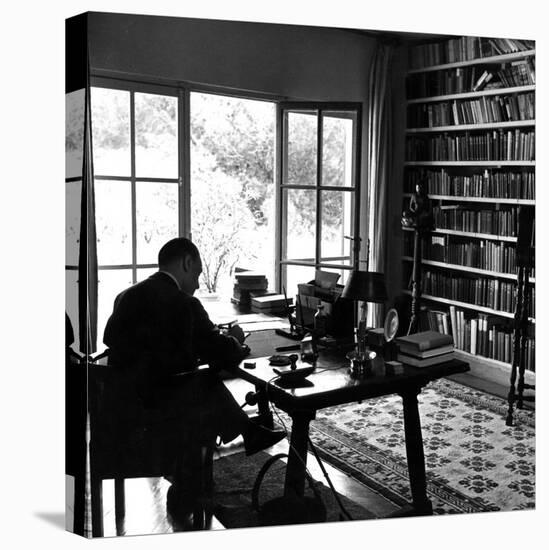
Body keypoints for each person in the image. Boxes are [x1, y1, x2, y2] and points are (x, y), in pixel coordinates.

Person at [103, 237, 285, 517]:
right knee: (206, 383)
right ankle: (229, 451)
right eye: (198, 274)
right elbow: (223, 353)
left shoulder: (125, 296)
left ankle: (244, 437)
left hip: (121, 413)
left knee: (200, 382)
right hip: (162, 417)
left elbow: (122, 345)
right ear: (187, 263)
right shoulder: (183, 304)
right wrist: (237, 341)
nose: (199, 283)